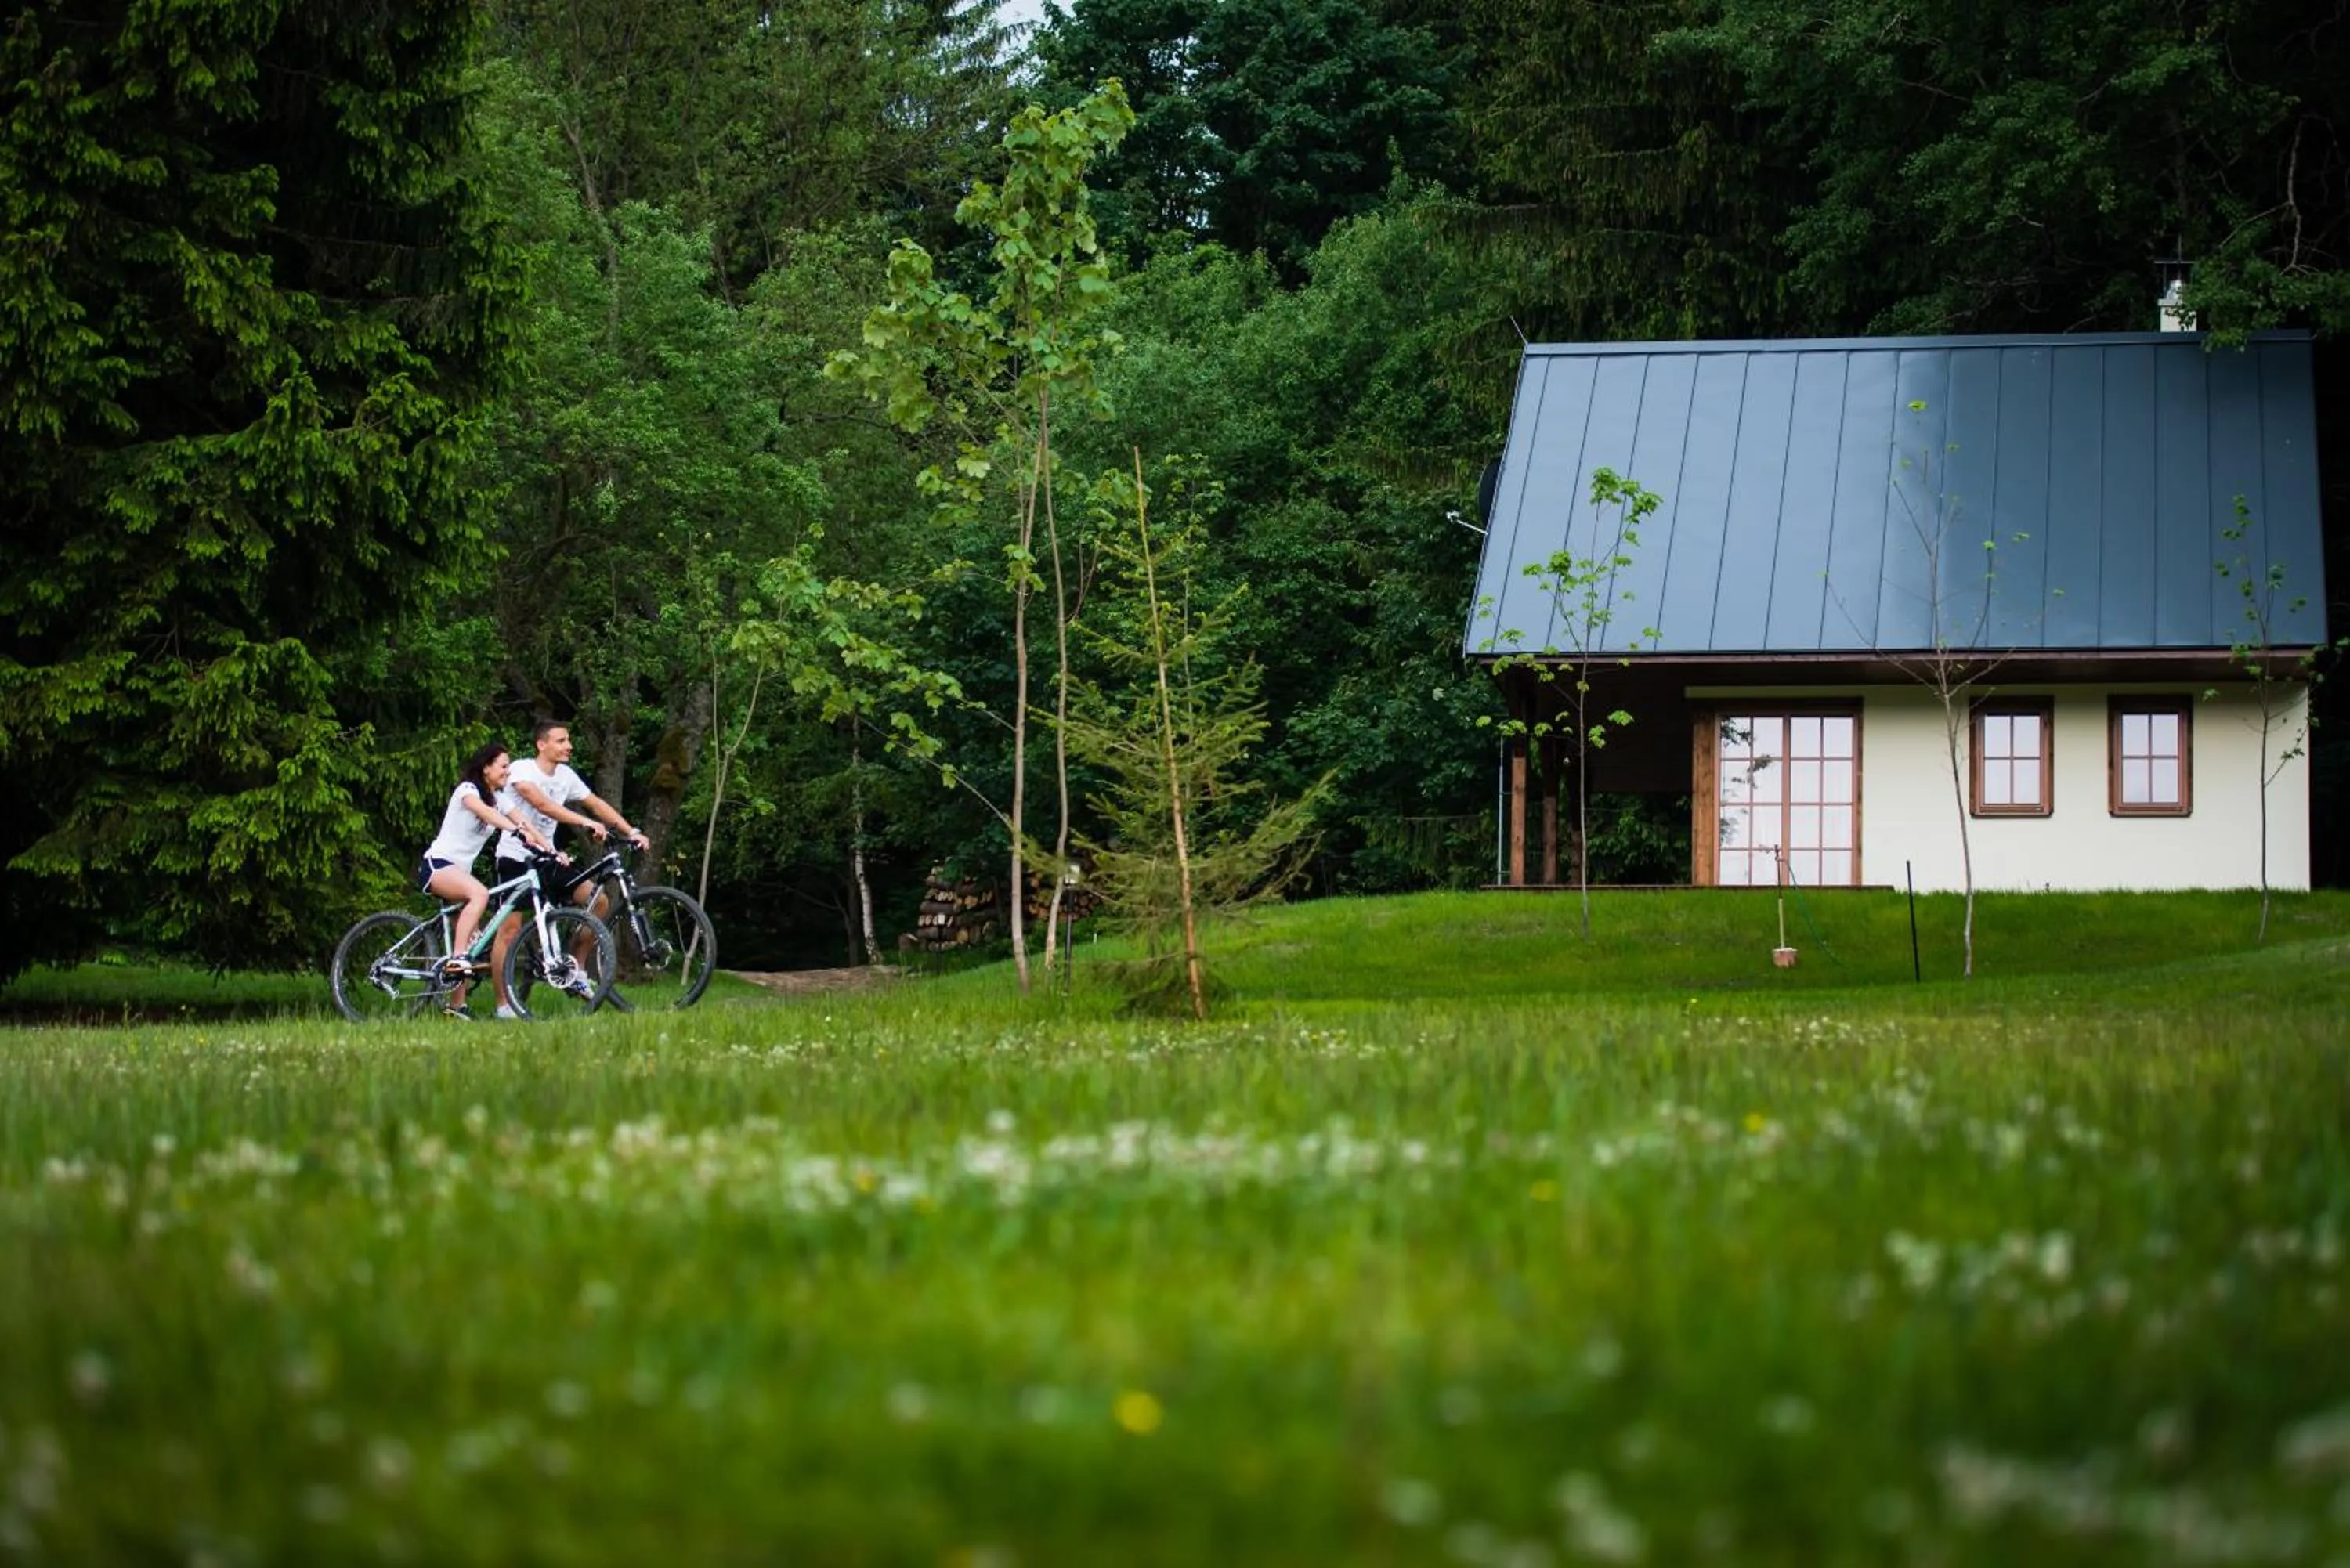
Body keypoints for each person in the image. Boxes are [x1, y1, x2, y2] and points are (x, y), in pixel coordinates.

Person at [487, 720, 649, 1020]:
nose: (569, 746)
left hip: (550, 860)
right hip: (516, 859)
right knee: (509, 932)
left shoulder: (566, 776)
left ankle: (575, 968)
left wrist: (631, 831)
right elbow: (541, 803)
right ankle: (502, 1005)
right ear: (542, 744)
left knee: (598, 901)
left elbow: (596, 803)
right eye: (561, 741)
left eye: (569, 740)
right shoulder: (523, 769)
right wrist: (583, 822)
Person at [417, 742, 558, 1021]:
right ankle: (458, 959)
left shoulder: (501, 798)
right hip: (438, 866)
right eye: (503, 766)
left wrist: (552, 851)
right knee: (479, 895)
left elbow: (526, 825)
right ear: (486, 769)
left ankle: (455, 1008)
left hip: (459, 874)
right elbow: (486, 814)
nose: (508, 771)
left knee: (474, 942)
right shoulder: (468, 791)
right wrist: (514, 830)